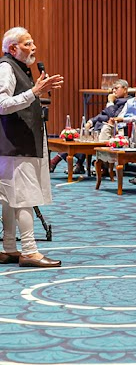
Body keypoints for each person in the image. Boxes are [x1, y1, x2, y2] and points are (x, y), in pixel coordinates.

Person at [0, 27, 63, 267]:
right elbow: (2, 105)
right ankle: (29, 250)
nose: (34, 47)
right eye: (28, 43)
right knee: (24, 198)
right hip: (15, 146)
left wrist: (34, 91)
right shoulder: (6, 67)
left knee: (10, 199)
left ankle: (8, 248)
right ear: (13, 48)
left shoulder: (16, 67)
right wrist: (34, 92)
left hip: (12, 145)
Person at [49, 79, 131, 173]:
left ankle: (60, 162)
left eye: (116, 88)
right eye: (113, 89)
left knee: (82, 137)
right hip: (99, 127)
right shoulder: (117, 100)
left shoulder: (126, 102)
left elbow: (113, 116)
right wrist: (91, 121)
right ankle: (73, 163)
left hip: (111, 130)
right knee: (77, 135)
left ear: (125, 89)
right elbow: (103, 114)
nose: (114, 91)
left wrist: (110, 102)